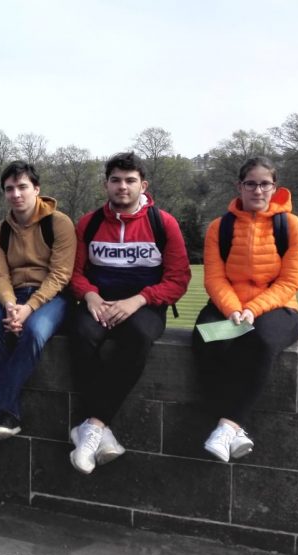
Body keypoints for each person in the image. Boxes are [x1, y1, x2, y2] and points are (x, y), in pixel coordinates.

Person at [67, 152, 191, 474]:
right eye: (116, 180)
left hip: (143, 305)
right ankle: (101, 431)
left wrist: (138, 300)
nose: (122, 186)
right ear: (106, 184)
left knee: (137, 338)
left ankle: (93, 425)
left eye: (130, 180)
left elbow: (178, 279)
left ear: (143, 185)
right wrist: (90, 295)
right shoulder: (89, 223)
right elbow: (74, 273)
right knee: (79, 334)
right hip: (100, 302)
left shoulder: (163, 223)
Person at [193, 156, 298, 462]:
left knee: (262, 341)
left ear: (275, 187)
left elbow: (289, 282)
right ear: (239, 186)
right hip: (229, 306)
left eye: (265, 184)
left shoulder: (291, 225)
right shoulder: (220, 227)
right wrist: (232, 309)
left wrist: (253, 310)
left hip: (278, 307)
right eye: (251, 184)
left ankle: (228, 425)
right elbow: (214, 278)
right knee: (206, 338)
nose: (258, 190)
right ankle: (235, 429)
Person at [0, 161, 75, 453]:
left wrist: (29, 308)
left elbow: (61, 275)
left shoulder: (59, 223)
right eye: (9, 189)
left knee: (35, 332)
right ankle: (11, 413)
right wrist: (10, 305)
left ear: (36, 189)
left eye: (22, 187)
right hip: (13, 296)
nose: (16, 194)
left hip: (52, 297)